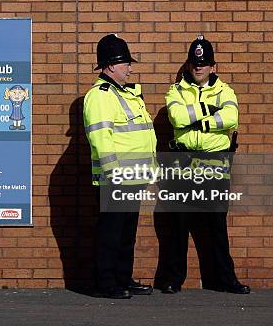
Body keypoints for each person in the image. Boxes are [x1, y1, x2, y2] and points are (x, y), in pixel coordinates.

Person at [154, 34, 250, 295]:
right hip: (183, 160)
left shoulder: (225, 90)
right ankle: (172, 279)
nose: (199, 67)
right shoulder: (176, 90)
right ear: (188, 65)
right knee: (178, 225)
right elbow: (177, 116)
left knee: (216, 224)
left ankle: (224, 279)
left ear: (213, 66)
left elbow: (231, 118)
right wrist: (210, 111)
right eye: (195, 63)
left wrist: (198, 119)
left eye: (204, 63)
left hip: (215, 162)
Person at [83, 33, 157, 299]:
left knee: (127, 234)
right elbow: (101, 138)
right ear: (112, 65)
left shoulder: (124, 94)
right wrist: (114, 173)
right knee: (111, 234)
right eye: (126, 63)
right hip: (116, 178)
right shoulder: (100, 96)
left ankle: (122, 278)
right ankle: (106, 283)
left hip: (133, 176)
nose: (130, 68)